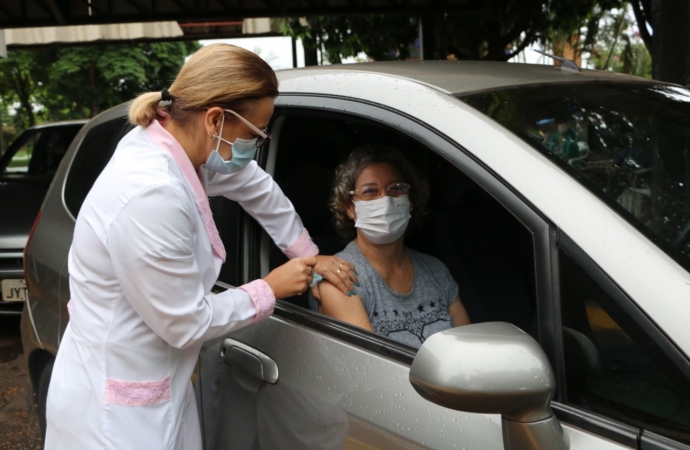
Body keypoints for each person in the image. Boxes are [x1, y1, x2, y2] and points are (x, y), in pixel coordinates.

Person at [45, 44, 357, 450]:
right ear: (215, 120)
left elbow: (255, 185)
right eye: (253, 134)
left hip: (156, 390)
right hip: (115, 417)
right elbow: (185, 322)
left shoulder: (181, 149)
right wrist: (270, 288)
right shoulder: (151, 194)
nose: (257, 144)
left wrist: (307, 255)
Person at [312, 146, 470, 349]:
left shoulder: (436, 270)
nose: (384, 200)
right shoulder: (340, 278)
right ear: (349, 208)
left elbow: (469, 350)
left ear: (410, 201)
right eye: (369, 191)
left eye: (395, 188)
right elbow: (371, 367)